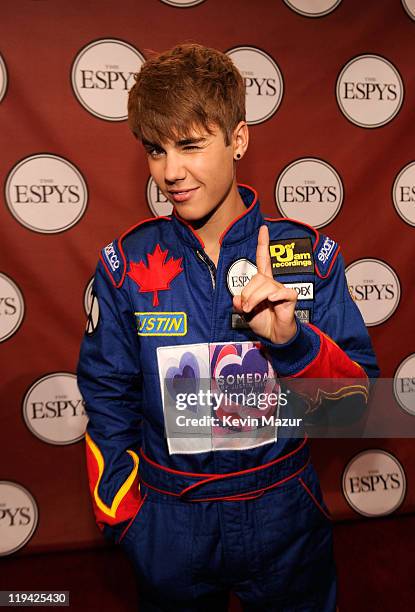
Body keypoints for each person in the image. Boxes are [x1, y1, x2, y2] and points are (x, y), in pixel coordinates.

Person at [77, 43, 379, 612]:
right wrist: (129, 520)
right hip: (171, 518)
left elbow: (358, 409)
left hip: (284, 511)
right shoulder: (124, 266)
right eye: (155, 150)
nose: (170, 172)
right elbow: (107, 401)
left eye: (190, 145)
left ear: (238, 139)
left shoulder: (306, 255)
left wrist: (293, 343)